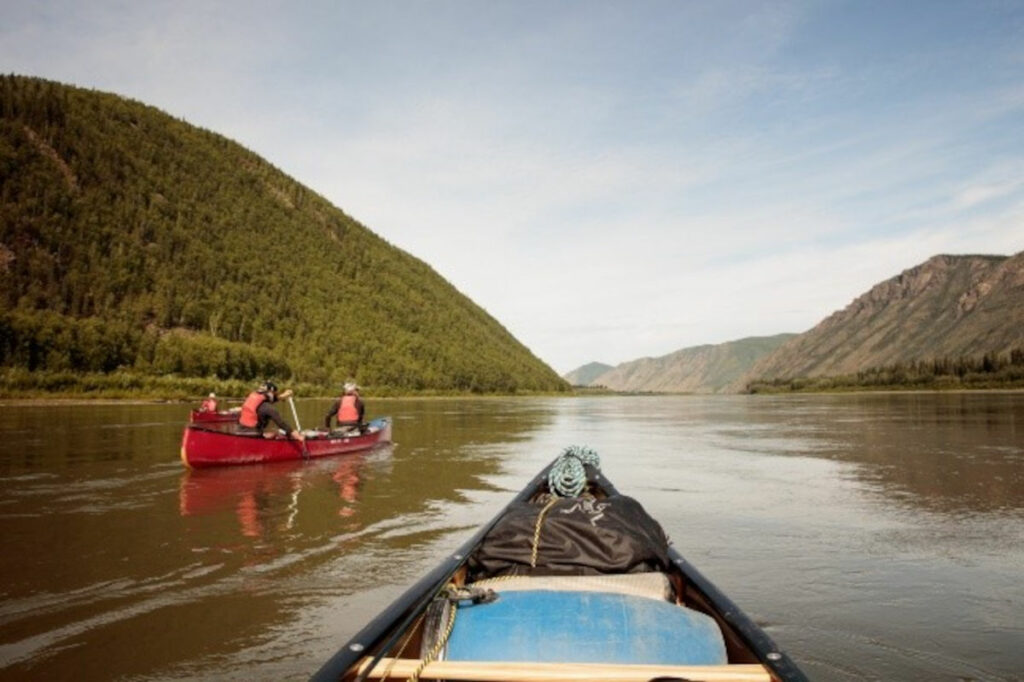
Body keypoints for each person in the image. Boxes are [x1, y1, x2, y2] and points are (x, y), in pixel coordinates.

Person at [237, 381, 304, 441]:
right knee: (278, 433)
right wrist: (294, 434)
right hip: (254, 435)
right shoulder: (268, 408)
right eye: (274, 394)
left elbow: (274, 399)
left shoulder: (253, 397)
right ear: (270, 393)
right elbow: (281, 423)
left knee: (273, 433)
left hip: (241, 431)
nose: (275, 396)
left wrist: (284, 395)